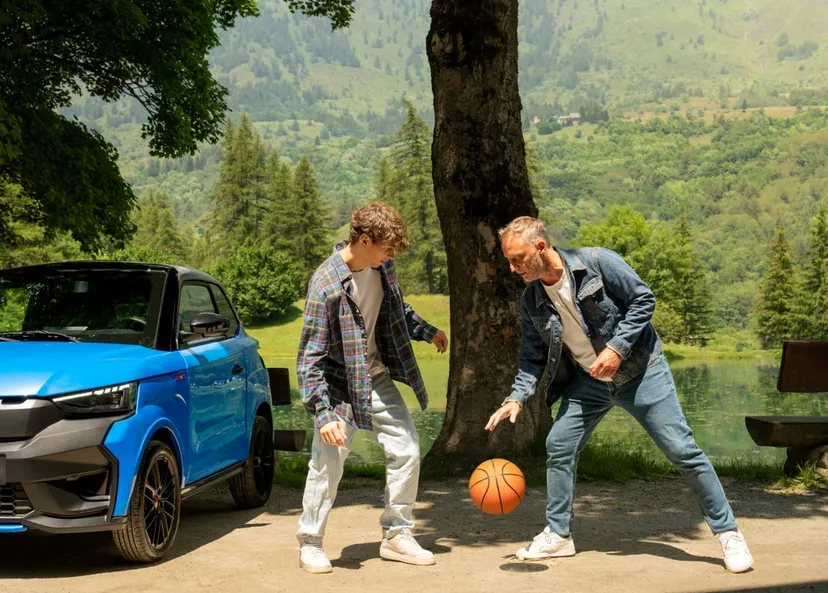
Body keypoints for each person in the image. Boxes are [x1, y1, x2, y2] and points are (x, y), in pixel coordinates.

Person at [485, 216, 754, 573]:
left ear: (540, 247)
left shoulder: (597, 262)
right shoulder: (531, 300)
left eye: (517, 258)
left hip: (641, 372)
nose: (512, 267)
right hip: (590, 382)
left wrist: (617, 348)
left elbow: (644, 299)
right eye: (509, 260)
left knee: (682, 451)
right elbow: (532, 356)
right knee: (559, 444)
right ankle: (559, 535)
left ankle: (728, 533)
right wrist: (516, 397)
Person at [295, 202, 448, 574]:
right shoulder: (326, 284)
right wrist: (323, 412)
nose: (391, 254)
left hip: (375, 375)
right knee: (328, 462)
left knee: (408, 449)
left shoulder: (382, 267)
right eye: (387, 247)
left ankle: (396, 535)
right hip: (338, 384)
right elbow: (309, 358)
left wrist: (428, 331)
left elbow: (397, 308)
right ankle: (310, 543)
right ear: (364, 240)